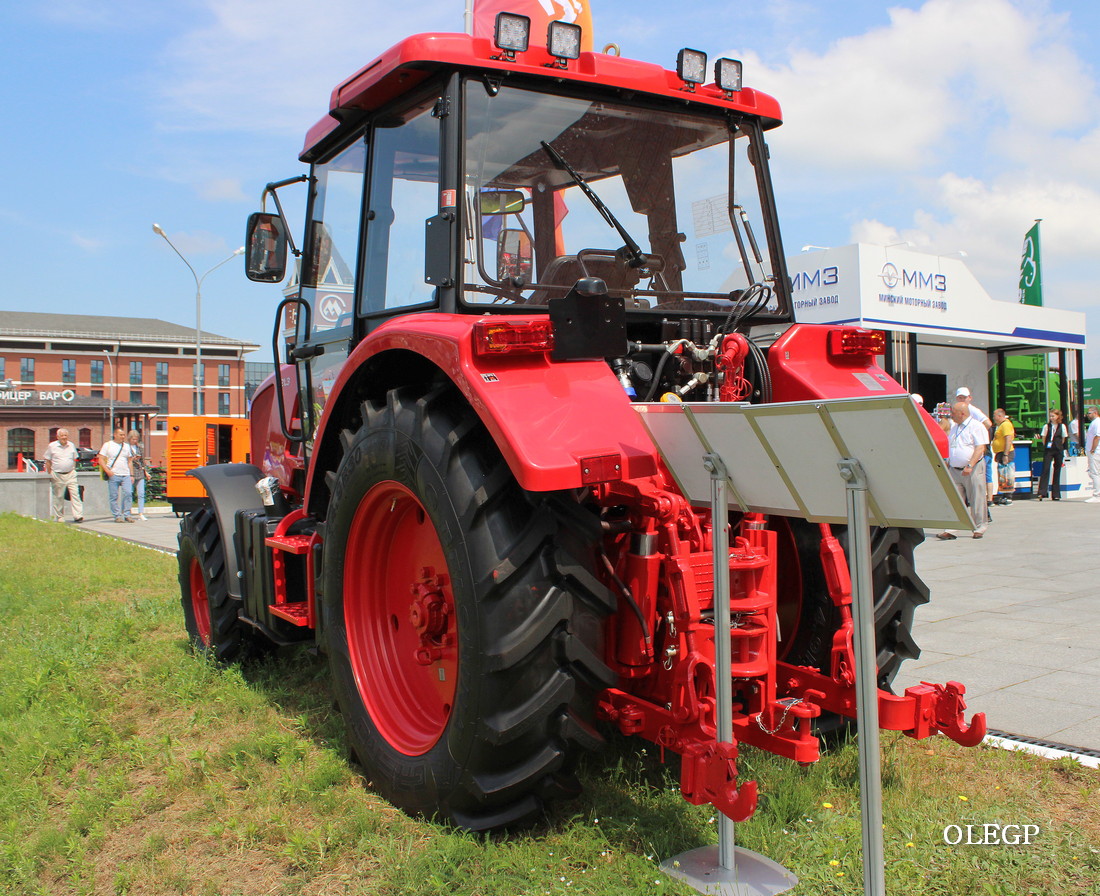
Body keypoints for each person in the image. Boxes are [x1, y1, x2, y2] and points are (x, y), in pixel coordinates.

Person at [938, 400, 990, 540]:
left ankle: (979, 527)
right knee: (955, 500)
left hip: (972, 468)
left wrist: (970, 465)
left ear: (962, 413)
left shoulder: (976, 426)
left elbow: (980, 448)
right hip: (955, 469)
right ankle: (952, 529)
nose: (951, 415)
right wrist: (948, 461)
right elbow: (952, 446)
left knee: (976, 498)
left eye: (953, 413)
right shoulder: (955, 427)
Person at [43, 428, 84, 523]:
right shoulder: (52, 446)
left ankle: (78, 515)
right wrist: (50, 474)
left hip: (70, 474)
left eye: (66, 435)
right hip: (57, 474)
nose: (64, 437)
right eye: (62, 435)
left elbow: (74, 459)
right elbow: (48, 460)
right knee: (58, 496)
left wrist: (73, 469)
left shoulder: (71, 445)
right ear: (58, 437)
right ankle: (60, 516)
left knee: (75, 495)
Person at [99, 427, 134, 523]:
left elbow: (129, 461)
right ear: (115, 435)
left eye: (123, 435)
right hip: (113, 474)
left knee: (128, 493)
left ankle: (127, 514)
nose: (123, 437)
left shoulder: (126, 446)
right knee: (114, 496)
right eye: (121, 434)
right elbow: (100, 459)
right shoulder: (108, 445)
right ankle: (117, 515)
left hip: (125, 473)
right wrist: (107, 471)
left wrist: (131, 475)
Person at [1036, 409, 1069, 501]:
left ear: (1058, 416)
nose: (1051, 418)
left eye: (1053, 416)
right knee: (1045, 469)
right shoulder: (1046, 426)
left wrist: (1059, 445)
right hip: (1049, 449)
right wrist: (1046, 445)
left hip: (1058, 449)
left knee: (1057, 470)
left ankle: (1056, 494)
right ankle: (1042, 492)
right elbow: (1044, 437)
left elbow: (1063, 438)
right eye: (1050, 416)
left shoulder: (1062, 426)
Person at [990, 409, 1015, 505]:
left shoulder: (1006, 425)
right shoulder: (1000, 425)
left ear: (1000, 416)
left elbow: (1008, 439)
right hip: (1000, 452)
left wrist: (1006, 454)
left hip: (1006, 453)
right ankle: (1004, 495)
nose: (993, 418)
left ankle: (1008, 497)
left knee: (1007, 474)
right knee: (1002, 474)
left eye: (994, 415)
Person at [127, 429, 148, 521]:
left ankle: (141, 512)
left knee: (141, 493)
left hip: (139, 471)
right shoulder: (126, 448)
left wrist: (145, 471)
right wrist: (132, 459)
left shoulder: (139, 448)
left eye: (136, 439)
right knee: (129, 493)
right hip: (130, 472)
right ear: (129, 439)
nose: (135, 441)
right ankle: (128, 511)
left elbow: (142, 461)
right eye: (133, 439)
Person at [1085, 406, 1100, 504]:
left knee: (1094, 473)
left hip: (1095, 452)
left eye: (1089, 413)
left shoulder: (1097, 422)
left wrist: (1092, 449)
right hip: (1094, 451)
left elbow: (1097, 436)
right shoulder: (1094, 423)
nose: (1087, 415)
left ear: (1095, 412)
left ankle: (1097, 495)